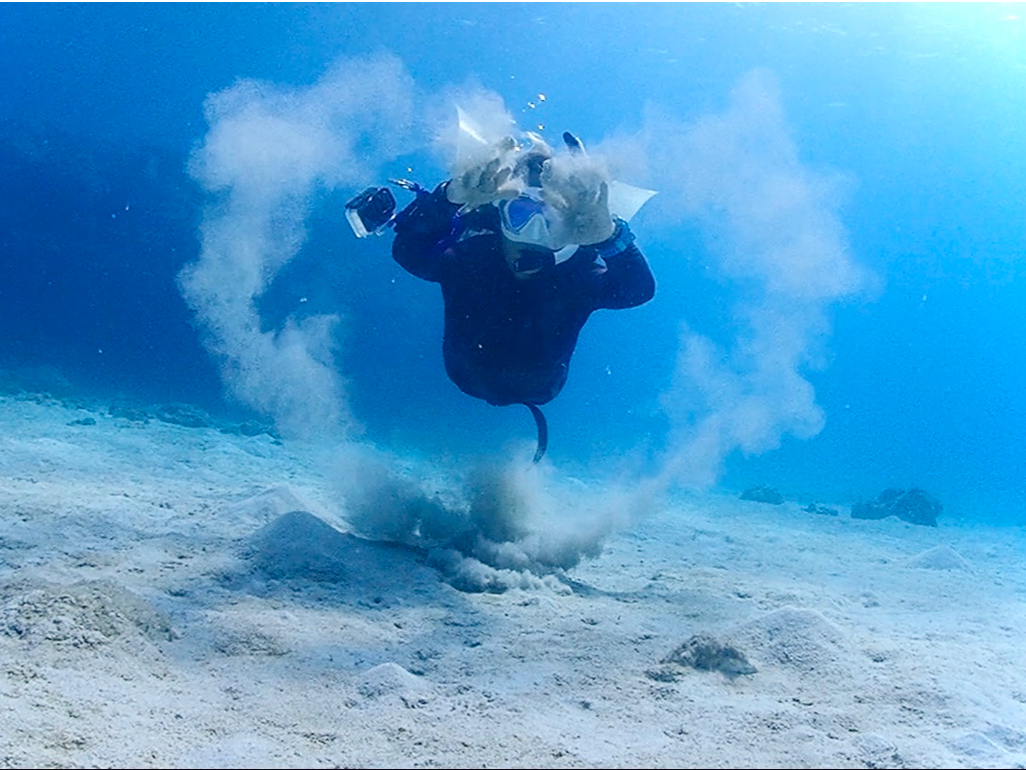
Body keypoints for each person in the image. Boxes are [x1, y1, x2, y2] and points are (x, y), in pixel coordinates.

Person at [388, 132, 655, 460]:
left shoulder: (579, 277)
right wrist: (451, 196)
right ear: (499, 215)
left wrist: (608, 236)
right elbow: (407, 251)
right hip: (475, 376)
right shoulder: (472, 258)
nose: (534, 234)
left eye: (552, 219)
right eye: (520, 213)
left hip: (530, 384)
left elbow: (639, 290)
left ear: (571, 225)